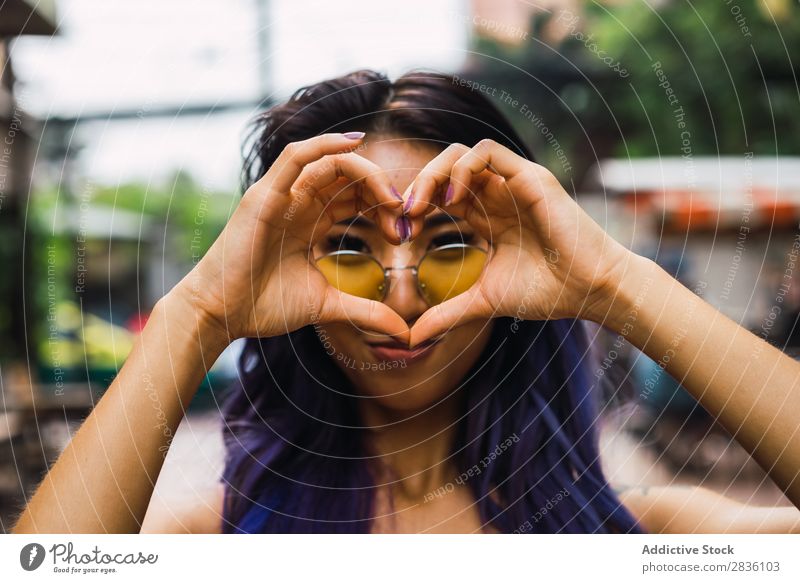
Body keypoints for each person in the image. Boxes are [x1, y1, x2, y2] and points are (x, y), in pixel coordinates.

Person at [12, 70, 800, 534]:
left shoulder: (653, 535)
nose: (401, 287)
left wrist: (611, 282)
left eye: (450, 243)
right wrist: (201, 311)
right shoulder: (217, 536)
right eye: (349, 247)